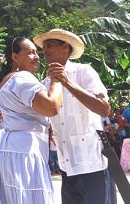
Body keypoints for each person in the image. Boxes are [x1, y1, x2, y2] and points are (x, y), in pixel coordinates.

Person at [32, 29, 116, 204]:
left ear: (65, 48)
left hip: (91, 161)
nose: (45, 51)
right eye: (43, 47)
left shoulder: (84, 72)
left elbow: (104, 109)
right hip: (66, 164)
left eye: (49, 46)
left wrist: (67, 83)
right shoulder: (45, 83)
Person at [0, 37, 63, 204]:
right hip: (24, 152)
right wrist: (57, 82)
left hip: (8, 152)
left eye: (36, 52)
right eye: (31, 53)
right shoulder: (22, 78)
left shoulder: (3, 84)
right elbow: (51, 107)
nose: (36, 56)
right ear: (15, 57)